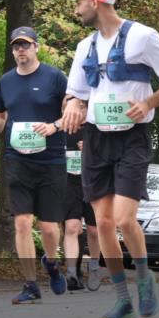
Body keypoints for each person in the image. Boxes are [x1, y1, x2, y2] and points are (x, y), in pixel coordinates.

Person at [59, 0, 159, 318]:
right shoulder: (84, 46)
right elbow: (76, 93)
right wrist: (72, 104)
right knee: (103, 223)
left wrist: (149, 102)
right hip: (96, 139)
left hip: (132, 138)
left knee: (123, 219)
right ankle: (123, 301)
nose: (75, 9)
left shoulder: (142, 36)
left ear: (95, 2)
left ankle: (144, 280)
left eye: (79, 2)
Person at [0, 26, 68, 304]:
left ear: (36, 47)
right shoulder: (6, 81)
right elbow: (0, 113)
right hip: (18, 159)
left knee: (49, 228)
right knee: (22, 223)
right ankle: (30, 285)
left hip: (51, 160)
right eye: (16, 46)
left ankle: (52, 263)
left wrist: (55, 126)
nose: (20, 50)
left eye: (25, 45)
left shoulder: (55, 77)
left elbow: (73, 109)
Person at [62, 125, 102, 291]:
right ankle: (71, 273)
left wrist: (92, 150)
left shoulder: (95, 127)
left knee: (94, 231)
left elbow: (110, 155)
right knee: (71, 227)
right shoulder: (59, 129)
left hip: (93, 183)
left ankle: (94, 268)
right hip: (69, 184)